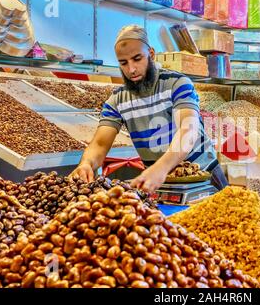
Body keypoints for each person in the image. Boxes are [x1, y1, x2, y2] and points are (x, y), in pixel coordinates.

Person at [70, 25, 228, 193]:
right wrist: (86, 164)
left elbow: (188, 130)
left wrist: (161, 168)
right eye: (123, 63)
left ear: (151, 55)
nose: (131, 69)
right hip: (161, 182)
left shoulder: (177, 83)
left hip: (204, 178)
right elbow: (100, 144)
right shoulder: (117, 100)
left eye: (137, 59)